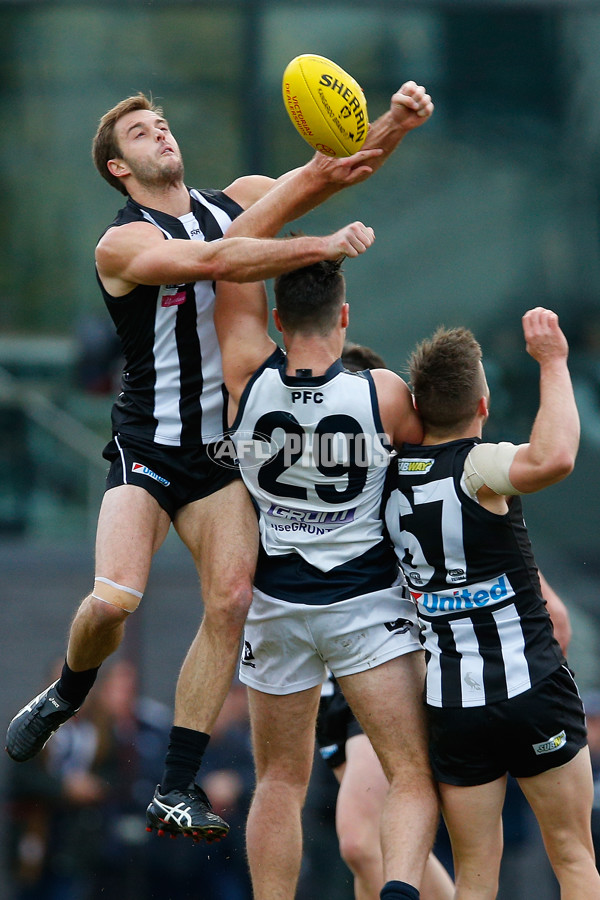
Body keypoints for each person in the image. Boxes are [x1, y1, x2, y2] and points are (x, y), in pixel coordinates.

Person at [5, 83, 434, 843]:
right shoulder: (122, 242)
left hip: (219, 454)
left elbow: (334, 169)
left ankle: (174, 786)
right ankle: (69, 693)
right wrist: (320, 245)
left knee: (231, 601)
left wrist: (393, 123)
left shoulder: (235, 199)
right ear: (117, 166)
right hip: (148, 443)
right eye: (142, 131)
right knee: (112, 603)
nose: (160, 135)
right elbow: (211, 259)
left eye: (163, 124)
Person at [215, 211, 438, 900]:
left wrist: (285, 221)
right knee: (409, 776)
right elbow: (436, 470)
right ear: (345, 314)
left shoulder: (244, 376)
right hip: (367, 605)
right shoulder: (385, 395)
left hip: (277, 607)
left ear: (278, 320)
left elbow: (225, 264)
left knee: (280, 779)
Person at [384, 308, 600, 898]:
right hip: (531, 685)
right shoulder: (477, 466)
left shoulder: (389, 479)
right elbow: (554, 455)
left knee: (476, 875)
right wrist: (553, 362)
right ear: (483, 404)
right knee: (574, 857)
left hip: (453, 703)